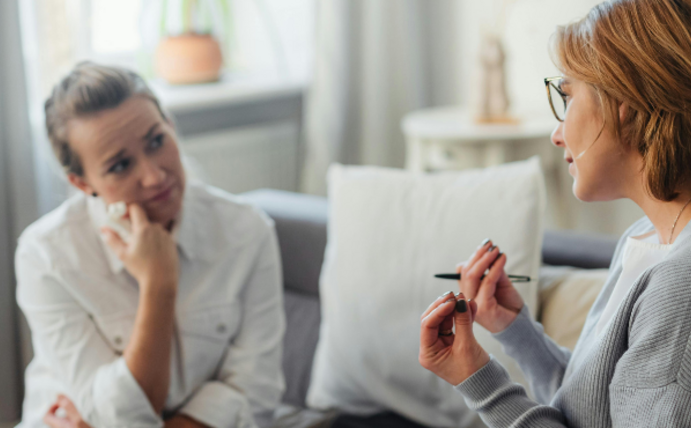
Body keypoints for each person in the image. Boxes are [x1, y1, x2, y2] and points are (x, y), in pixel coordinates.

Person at [419, 0, 691, 426]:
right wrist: (514, 329)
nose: (556, 133)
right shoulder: (646, 240)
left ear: (625, 104)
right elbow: (591, 409)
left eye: (566, 96)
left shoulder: (680, 286)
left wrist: (478, 380)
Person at [15, 63, 285, 428]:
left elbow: (256, 391)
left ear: (170, 124)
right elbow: (117, 416)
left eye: (157, 141)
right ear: (82, 183)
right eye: (121, 165)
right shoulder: (47, 256)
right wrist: (158, 285)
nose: (155, 175)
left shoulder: (246, 231)